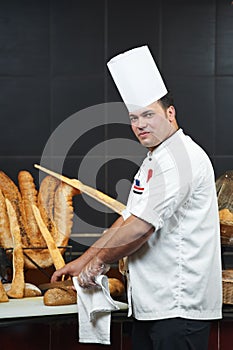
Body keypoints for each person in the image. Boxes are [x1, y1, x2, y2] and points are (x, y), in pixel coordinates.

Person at [51, 46, 222, 350]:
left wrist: (99, 263)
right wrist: (84, 260)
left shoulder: (181, 158)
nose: (140, 124)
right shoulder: (156, 159)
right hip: (153, 306)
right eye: (133, 117)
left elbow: (140, 228)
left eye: (148, 115)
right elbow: (128, 218)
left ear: (171, 114)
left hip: (179, 308)